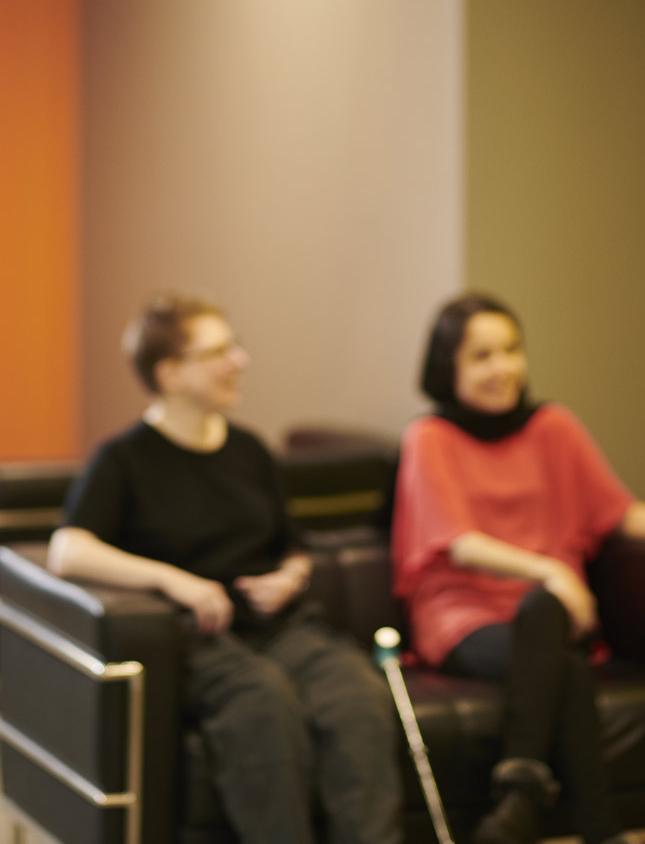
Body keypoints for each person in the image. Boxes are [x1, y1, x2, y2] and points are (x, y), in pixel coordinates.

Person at [391, 292, 645, 844]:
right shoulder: (429, 438)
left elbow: (616, 511)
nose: (502, 368)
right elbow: (458, 543)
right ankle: (598, 829)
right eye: (481, 356)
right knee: (566, 666)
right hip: (465, 616)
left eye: (511, 350)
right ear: (448, 368)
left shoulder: (554, 427)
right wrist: (552, 572)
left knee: (546, 623)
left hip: (552, 614)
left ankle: (518, 801)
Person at [48, 294, 402, 844]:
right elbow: (67, 550)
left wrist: (291, 577)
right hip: (198, 639)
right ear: (170, 373)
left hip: (280, 628)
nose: (239, 361)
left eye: (233, 347)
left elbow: (293, 546)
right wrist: (172, 579)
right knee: (263, 703)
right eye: (218, 351)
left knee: (356, 695)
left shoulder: (249, 450)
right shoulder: (123, 460)